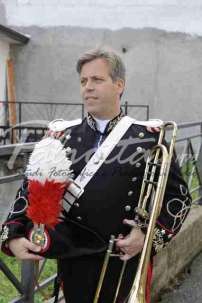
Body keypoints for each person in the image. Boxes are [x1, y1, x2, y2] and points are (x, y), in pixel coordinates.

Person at [0, 48, 191, 303]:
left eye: (97, 80)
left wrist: (147, 238)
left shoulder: (148, 138)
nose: (88, 87)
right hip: (73, 257)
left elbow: (178, 198)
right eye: (83, 81)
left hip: (123, 259)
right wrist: (12, 236)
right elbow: (29, 191)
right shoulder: (60, 136)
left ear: (119, 85)